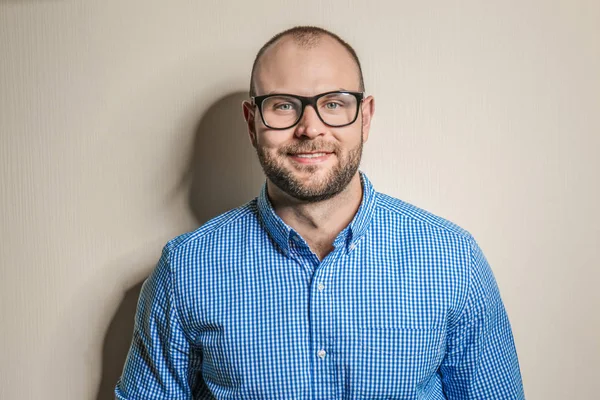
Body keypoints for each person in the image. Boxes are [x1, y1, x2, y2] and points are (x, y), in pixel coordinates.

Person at [115, 26, 525, 399]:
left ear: (364, 118)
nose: (310, 128)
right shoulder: (186, 268)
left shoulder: (453, 259)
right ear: (251, 122)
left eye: (333, 103)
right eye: (282, 106)